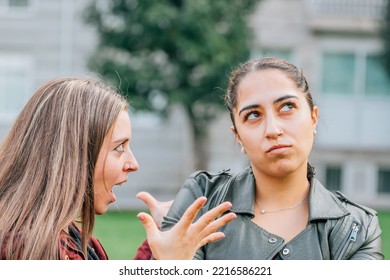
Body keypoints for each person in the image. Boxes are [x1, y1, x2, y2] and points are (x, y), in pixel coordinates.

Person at [161, 57, 384, 260]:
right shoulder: (202, 196)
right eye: (254, 115)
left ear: (313, 119)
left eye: (287, 107)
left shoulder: (357, 227)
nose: (273, 129)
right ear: (238, 136)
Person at [0, 77, 236, 260]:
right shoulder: (34, 250)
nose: (133, 164)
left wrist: (161, 244)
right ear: (76, 155)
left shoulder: (66, 239)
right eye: (119, 148)